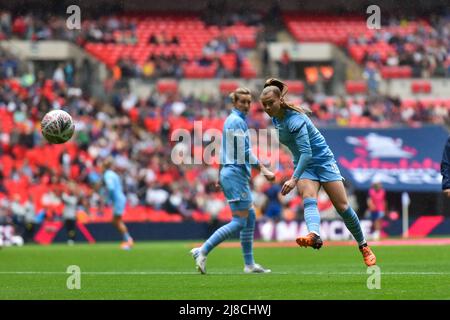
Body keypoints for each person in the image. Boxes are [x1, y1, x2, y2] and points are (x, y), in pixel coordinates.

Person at [260, 78, 376, 266]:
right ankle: (314, 235)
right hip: (305, 164)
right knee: (308, 197)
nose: (266, 107)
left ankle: (363, 246)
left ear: (280, 100)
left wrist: (293, 179)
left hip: (322, 161)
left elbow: (307, 152)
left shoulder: (295, 119)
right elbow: (301, 154)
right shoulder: (275, 118)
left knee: (343, 208)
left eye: (270, 103)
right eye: (264, 105)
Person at [190, 87, 275, 274]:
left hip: (231, 173)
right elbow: (244, 151)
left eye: (248, 101)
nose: (245, 105)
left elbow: (223, 151)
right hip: (235, 174)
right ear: (234, 103)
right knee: (239, 221)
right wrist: (262, 169)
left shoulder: (232, 121)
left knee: (249, 217)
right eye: (242, 101)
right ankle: (203, 251)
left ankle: (249, 264)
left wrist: (221, 174)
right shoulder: (237, 122)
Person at [96, 157, 134, 250]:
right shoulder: (112, 174)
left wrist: (106, 199)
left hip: (118, 200)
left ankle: (128, 241)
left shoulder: (107, 175)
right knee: (115, 221)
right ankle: (127, 239)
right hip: (120, 198)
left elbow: (111, 188)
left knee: (117, 221)